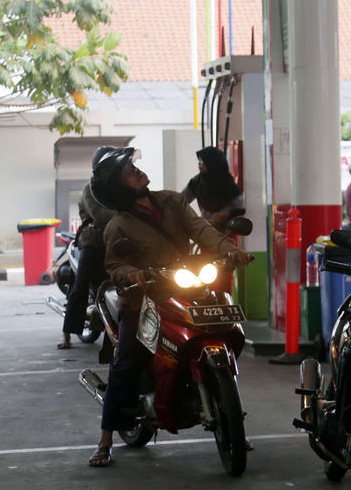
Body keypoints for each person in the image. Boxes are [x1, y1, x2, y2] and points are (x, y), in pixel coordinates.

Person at [85, 147, 252, 467]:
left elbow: (202, 230)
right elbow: (115, 266)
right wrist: (131, 273)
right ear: (119, 188)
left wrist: (229, 250)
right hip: (144, 297)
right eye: (128, 173)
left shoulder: (172, 201)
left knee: (224, 326)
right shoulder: (117, 226)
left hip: (186, 283)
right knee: (128, 359)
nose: (137, 172)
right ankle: (106, 438)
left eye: (133, 167)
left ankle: (230, 418)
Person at [58, 146, 118, 350]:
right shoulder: (90, 189)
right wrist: (127, 215)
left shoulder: (118, 187)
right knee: (80, 286)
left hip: (116, 240)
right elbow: (101, 216)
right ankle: (67, 333)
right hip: (93, 241)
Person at [181, 146, 244, 231]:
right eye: (199, 160)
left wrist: (225, 214)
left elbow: (240, 208)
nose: (199, 163)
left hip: (227, 231)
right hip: (205, 229)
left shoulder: (227, 182)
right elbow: (181, 201)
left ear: (211, 162)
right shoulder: (197, 182)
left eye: (202, 160)